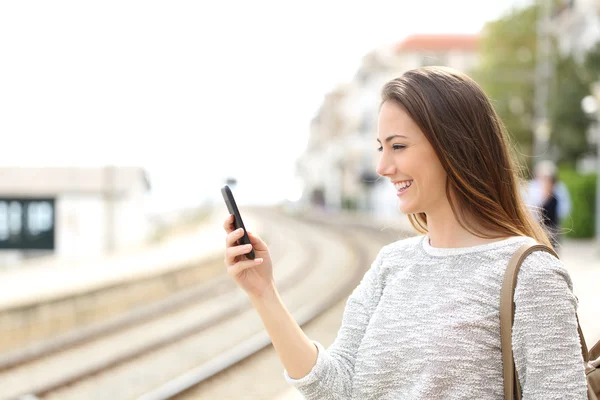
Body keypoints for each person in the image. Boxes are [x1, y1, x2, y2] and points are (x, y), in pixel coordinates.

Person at [222, 66, 587, 399]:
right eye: (381, 148)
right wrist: (264, 292)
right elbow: (336, 388)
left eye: (398, 146)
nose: (383, 166)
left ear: (454, 146)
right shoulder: (390, 265)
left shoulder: (531, 274)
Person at [525, 160, 571, 249]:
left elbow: (564, 208)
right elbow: (530, 207)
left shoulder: (559, 189)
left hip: (553, 227)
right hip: (537, 227)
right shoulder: (533, 188)